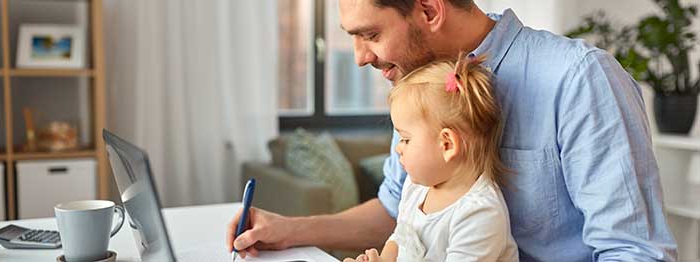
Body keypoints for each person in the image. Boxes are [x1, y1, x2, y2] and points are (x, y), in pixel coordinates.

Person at [227, 0, 678, 261]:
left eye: (369, 34)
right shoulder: (421, 86)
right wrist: (290, 230)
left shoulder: (579, 79)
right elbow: (395, 210)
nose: (360, 56)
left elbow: (635, 252)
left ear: (428, 9)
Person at [346, 53, 519, 262]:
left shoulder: (479, 214)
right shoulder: (416, 187)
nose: (398, 149)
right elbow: (400, 238)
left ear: (447, 145)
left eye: (406, 139)